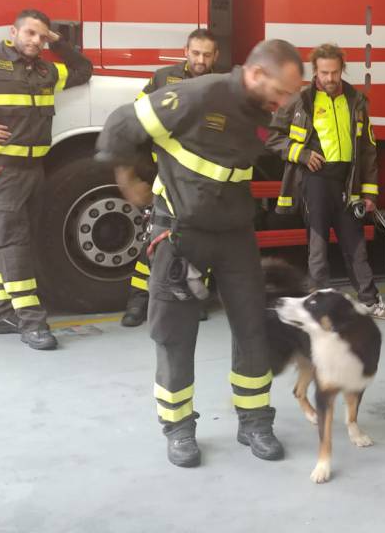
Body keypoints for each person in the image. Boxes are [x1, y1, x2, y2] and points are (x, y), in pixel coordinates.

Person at [96, 39, 304, 468]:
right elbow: (121, 125)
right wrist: (127, 179)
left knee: (253, 328)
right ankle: (178, 428)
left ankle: (254, 420)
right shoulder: (197, 95)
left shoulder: (261, 118)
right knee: (175, 334)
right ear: (257, 74)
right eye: (282, 91)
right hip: (179, 232)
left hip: (234, 234)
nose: (284, 102)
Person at [268, 43, 385, 319]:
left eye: (334, 72)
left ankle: (370, 301)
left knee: (356, 244)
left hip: (347, 182)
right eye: (324, 73)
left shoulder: (356, 101)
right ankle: (320, 307)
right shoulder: (301, 101)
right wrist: (301, 154)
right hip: (314, 182)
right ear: (315, 71)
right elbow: (273, 138)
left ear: (342, 70)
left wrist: (370, 194)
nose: (329, 79)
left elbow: (368, 149)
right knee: (318, 248)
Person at [0, 9, 92, 350]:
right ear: (13, 32)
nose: (35, 41)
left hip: (35, 170)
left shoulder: (48, 71)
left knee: (20, 241)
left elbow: (83, 69)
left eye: (41, 36)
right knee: (13, 242)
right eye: (30, 33)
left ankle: (4, 313)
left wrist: (58, 42)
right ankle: (32, 322)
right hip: (3, 170)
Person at [121, 28, 220, 328]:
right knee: (155, 239)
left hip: (203, 179)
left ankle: (192, 299)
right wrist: (134, 169)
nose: (201, 60)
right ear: (186, 51)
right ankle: (140, 302)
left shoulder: (221, 86)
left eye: (207, 54)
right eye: (196, 53)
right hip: (164, 175)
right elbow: (136, 115)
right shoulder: (163, 78)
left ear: (215, 56)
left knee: (198, 240)